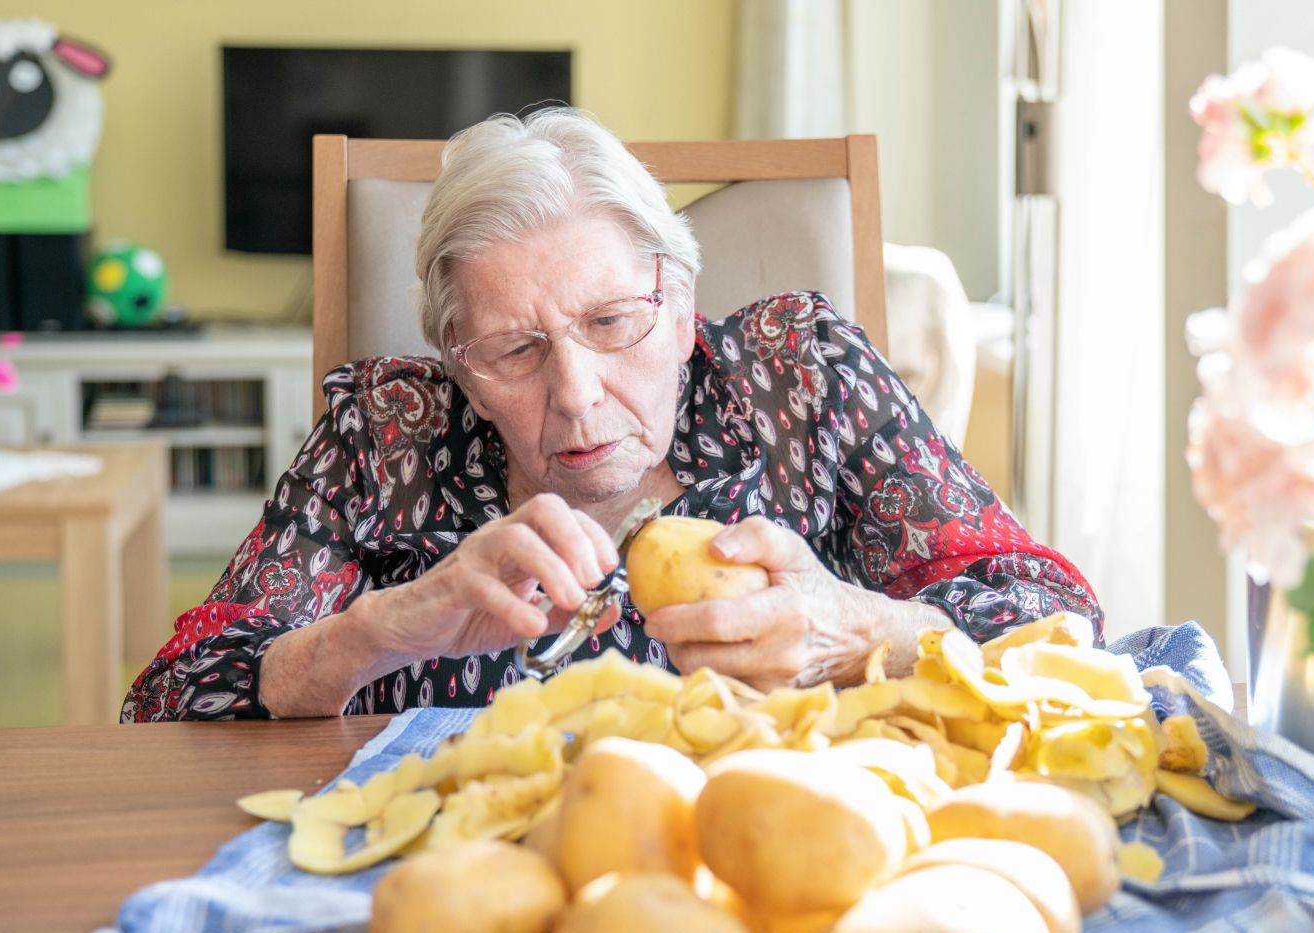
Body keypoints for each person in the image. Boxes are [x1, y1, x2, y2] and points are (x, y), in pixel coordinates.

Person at [121, 108, 1100, 722]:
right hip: (456, 882)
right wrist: (382, 628)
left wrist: (861, 626)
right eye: (513, 349)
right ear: (457, 364)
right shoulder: (389, 432)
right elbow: (171, 696)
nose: (578, 393)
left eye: (611, 322)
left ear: (677, 306)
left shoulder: (806, 376)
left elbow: (1056, 619)